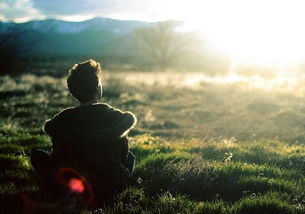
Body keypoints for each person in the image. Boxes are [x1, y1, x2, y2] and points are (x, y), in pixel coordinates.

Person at [30, 59, 137, 204]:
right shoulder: (115, 116)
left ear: (73, 92)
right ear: (98, 89)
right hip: (110, 185)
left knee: (38, 155)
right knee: (130, 157)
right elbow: (123, 152)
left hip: (69, 184)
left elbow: (57, 155)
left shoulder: (62, 119)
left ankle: (53, 187)